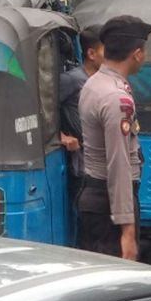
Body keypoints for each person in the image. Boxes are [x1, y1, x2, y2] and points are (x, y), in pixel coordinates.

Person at [77, 16, 151, 259]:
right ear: (137, 54)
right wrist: (127, 230)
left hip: (95, 196)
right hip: (108, 205)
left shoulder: (94, 84)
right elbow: (118, 164)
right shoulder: (114, 97)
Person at [59, 26, 104, 197]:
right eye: (106, 51)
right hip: (83, 167)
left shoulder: (106, 81)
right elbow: (43, 109)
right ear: (92, 54)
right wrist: (61, 136)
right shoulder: (72, 80)